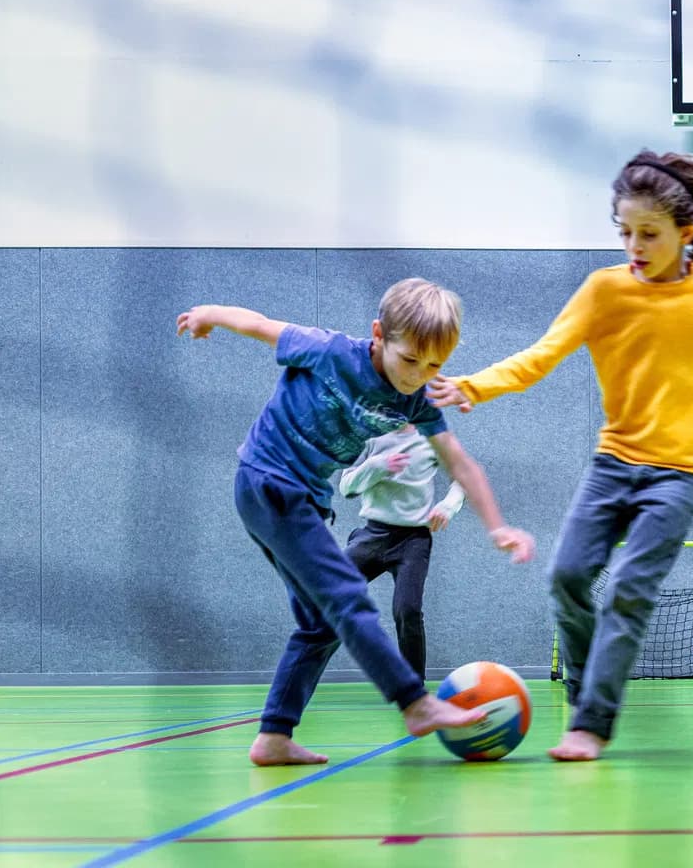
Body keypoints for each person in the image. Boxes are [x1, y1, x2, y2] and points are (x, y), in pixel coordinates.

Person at [429, 149, 693, 760]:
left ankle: (592, 722)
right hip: (614, 463)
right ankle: (585, 688)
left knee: (631, 588)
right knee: (567, 577)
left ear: (686, 234)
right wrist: (471, 386)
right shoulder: (603, 291)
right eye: (625, 231)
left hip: (683, 472)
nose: (634, 244)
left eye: (649, 233)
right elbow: (541, 355)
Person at [176, 277, 535, 766]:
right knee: (348, 596)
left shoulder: (416, 399)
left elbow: (459, 462)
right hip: (269, 482)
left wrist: (497, 526)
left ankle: (274, 737)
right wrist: (208, 313)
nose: (417, 375)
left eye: (434, 365)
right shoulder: (328, 351)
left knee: (319, 624)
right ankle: (415, 702)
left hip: (298, 499)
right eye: (410, 360)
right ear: (379, 336)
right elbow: (259, 325)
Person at [340, 423, 468, 681]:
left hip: (413, 541)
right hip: (372, 536)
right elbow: (346, 487)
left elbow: (462, 479)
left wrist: (448, 506)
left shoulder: (432, 436)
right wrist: (377, 465)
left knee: (407, 610)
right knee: (325, 595)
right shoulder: (367, 434)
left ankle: (415, 690)